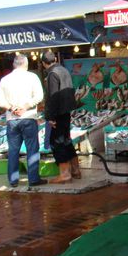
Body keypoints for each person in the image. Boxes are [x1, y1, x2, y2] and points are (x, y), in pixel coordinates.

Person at [0, 54, 46, 188]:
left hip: (12, 120)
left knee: (13, 150)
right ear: (26, 64)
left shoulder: (5, 80)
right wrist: (25, 107)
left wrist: (12, 108)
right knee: (32, 149)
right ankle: (33, 179)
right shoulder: (32, 77)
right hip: (28, 117)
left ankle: (13, 180)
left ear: (14, 64)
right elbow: (39, 96)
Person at [41, 51, 81, 183]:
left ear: (43, 63)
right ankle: (75, 170)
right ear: (55, 59)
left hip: (58, 112)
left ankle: (65, 174)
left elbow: (53, 96)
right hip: (66, 111)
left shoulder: (52, 74)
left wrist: (50, 117)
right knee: (66, 140)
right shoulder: (63, 70)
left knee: (56, 142)